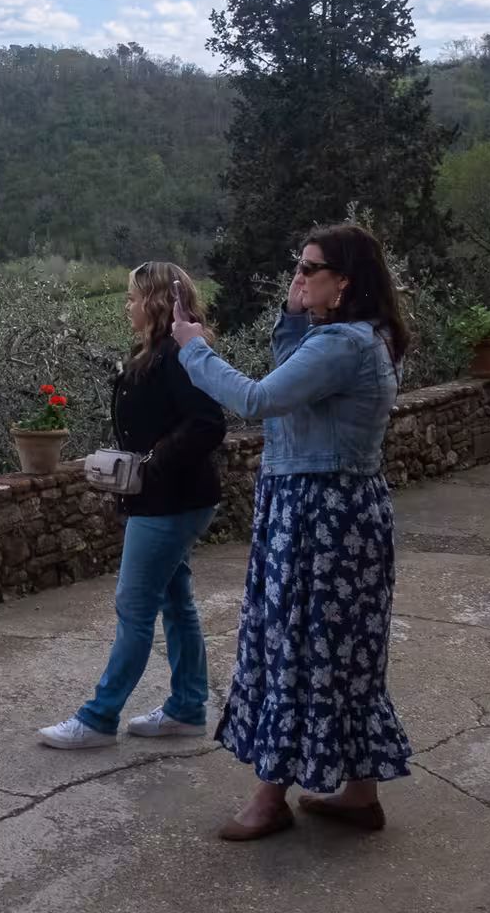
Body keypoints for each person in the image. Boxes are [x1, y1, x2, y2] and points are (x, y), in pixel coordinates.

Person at [170, 222, 412, 841]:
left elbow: (257, 399)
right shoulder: (357, 337)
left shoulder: (344, 346)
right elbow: (291, 373)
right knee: (341, 656)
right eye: (297, 266)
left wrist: (193, 349)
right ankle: (359, 795)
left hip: (319, 517)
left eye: (309, 269)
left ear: (345, 281)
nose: (298, 277)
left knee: (294, 651)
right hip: (336, 512)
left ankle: (270, 798)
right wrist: (294, 308)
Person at [37, 262, 228, 749]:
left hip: (168, 502)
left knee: (135, 605)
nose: (127, 305)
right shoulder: (155, 353)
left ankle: (99, 719)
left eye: (133, 297)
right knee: (175, 602)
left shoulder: (179, 355)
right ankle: (187, 708)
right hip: (174, 498)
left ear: (158, 301)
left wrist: (153, 462)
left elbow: (209, 423)